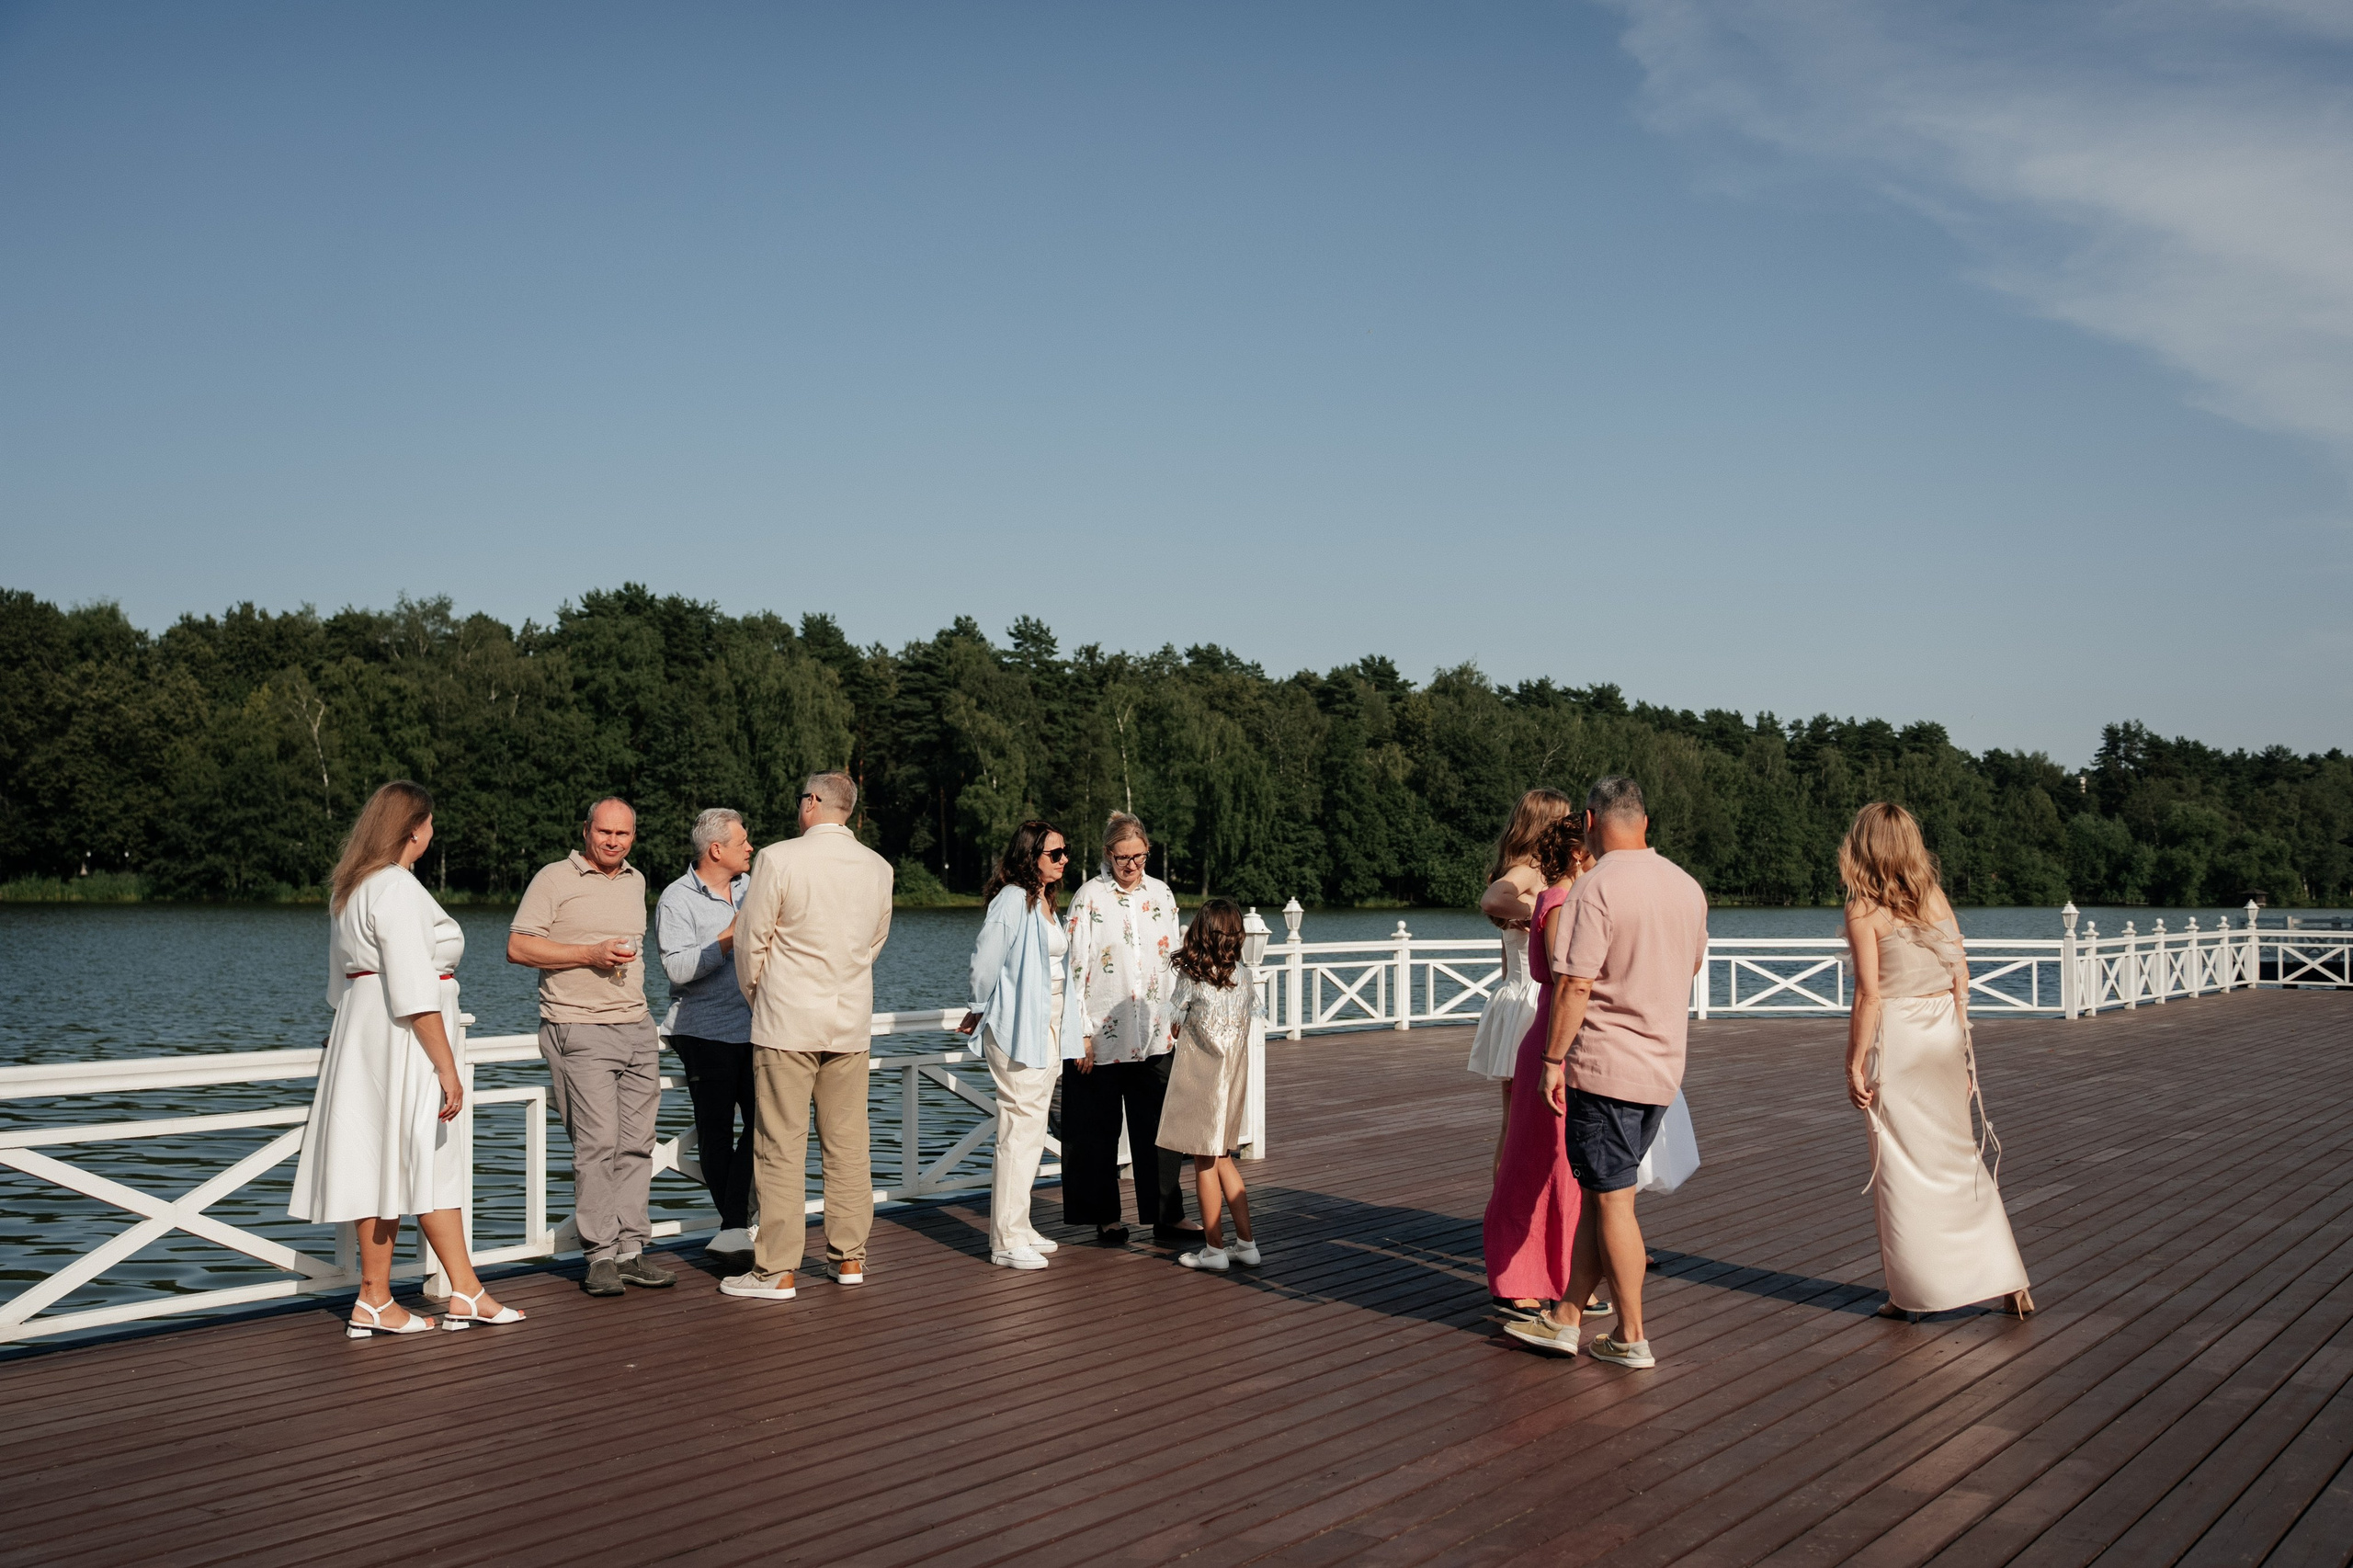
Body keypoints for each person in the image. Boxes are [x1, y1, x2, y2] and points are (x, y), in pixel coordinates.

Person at [291, 780, 524, 1335]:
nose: (433, 832)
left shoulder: (350, 888)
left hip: (364, 1031)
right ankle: (391, 1296)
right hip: (405, 1039)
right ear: (413, 829)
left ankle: (440, 1292)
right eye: (430, 823)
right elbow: (415, 991)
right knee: (418, 1157)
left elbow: (340, 985)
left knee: (394, 1161)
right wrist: (447, 1067)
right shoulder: (396, 886)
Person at [1508, 776, 1707, 1369]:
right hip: (1662, 1066)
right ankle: (1566, 1317)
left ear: (1590, 821)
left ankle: (1631, 1335)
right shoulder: (1686, 886)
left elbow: (1575, 983)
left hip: (1605, 1067)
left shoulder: (1595, 887)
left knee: (1614, 1200)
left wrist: (1551, 1061)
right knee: (1602, 1194)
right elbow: (1692, 965)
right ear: (1645, 822)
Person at [1841, 802, 2034, 1320]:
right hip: (1944, 1032)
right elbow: (1960, 975)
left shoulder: (1863, 909)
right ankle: (2009, 1278)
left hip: (1900, 1038)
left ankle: (1911, 1294)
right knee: (1959, 1156)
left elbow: (1869, 995)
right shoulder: (1934, 897)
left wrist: (1853, 1062)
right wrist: (1965, 1054)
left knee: (1903, 1167)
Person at [721, 772, 894, 1301]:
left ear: (813, 802)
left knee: (780, 1146)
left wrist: (761, 996)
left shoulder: (778, 859)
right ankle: (849, 1257)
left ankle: (776, 1269)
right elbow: (874, 943)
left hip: (787, 1022)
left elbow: (751, 943)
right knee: (848, 1146)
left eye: (803, 799)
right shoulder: (878, 867)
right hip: (849, 1022)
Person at [509, 798, 672, 1299]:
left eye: (623, 834)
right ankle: (599, 1255)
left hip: (637, 1027)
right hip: (578, 1027)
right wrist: (589, 954)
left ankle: (630, 1251)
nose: (613, 841)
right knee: (597, 1144)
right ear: (586, 831)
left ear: (633, 837)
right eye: (605, 832)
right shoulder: (554, 878)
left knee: (637, 1144)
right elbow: (518, 947)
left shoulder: (636, 880)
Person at [1060, 812, 1198, 1244]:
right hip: (1100, 1039)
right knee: (1095, 1132)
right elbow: (1073, 969)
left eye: (1139, 857)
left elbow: (1175, 961)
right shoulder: (1088, 898)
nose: (1132, 866)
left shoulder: (1161, 894)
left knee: (1160, 1130)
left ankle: (1166, 1216)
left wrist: (1178, 1017)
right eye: (1122, 858)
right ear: (1107, 854)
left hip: (1154, 1034)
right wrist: (1080, 1034)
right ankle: (1105, 1217)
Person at [962, 819, 1087, 1270]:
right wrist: (978, 1007)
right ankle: (1005, 1239)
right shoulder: (1013, 899)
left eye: (1065, 851)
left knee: (1033, 1128)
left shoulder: (1045, 900)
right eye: (1055, 853)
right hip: (1018, 1024)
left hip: (1049, 1021)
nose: (1064, 859)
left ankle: (1020, 1224)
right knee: (1018, 1128)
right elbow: (985, 960)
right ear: (1029, 856)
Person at [1482, 815, 1589, 1323]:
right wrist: (1553, 1059)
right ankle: (1516, 1275)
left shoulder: (1576, 897)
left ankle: (1565, 1275)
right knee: (1528, 1158)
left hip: (1568, 1038)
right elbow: (1568, 980)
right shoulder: (1554, 899)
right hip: (1547, 1033)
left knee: (1566, 1165)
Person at [657, 806, 758, 1259]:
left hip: (757, 1026)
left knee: (767, 1124)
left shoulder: (753, 888)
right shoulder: (676, 899)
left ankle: (737, 1224)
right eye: (742, 841)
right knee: (715, 1132)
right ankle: (736, 1226)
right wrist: (728, 937)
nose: (750, 847)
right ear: (716, 850)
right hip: (703, 1030)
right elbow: (677, 968)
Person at [1156, 900, 1265, 1271]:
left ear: (1201, 932)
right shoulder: (1244, 976)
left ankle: (1214, 1250)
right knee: (1223, 1159)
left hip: (1202, 1079)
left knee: (1204, 1161)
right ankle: (1247, 1245)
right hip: (1232, 1079)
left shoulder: (1192, 976)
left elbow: (1173, 1025)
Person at [1473, 789, 1577, 1167]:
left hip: (1516, 996)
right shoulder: (1531, 869)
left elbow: (1506, 957)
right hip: (1532, 1001)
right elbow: (1492, 899)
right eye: (1565, 819)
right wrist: (1540, 911)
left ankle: (1508, 1197)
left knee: (1515, 1124)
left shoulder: (1533, 870)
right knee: (1526, 1123)